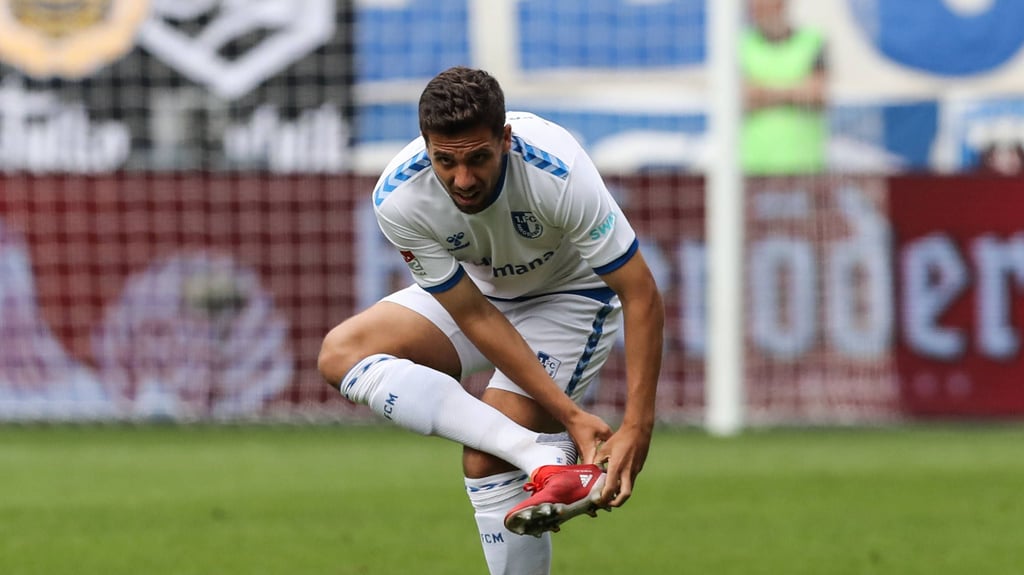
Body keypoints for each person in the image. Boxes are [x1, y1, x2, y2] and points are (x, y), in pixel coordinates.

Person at [318, 66, 663, 574]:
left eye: (478, 158)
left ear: (505, 139)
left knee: (485, 462)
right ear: (425, 145)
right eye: (445, 161)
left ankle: (535, 455)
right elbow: (473, 315)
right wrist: (568, 419)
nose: (462, 179)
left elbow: (641, 294)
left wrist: (638, 425)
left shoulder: (557, 169)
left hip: (569, 296)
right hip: (478, 296)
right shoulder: (399, 196)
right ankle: (543, 456)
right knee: (341, 353)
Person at [741, 0, 828, 175]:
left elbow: (817, 95)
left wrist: (763, 92)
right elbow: (741, 98)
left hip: (804, 166)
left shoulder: (812, 40)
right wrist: (794, 91)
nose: (758, 11)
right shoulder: (741, 44)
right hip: (753, 165)